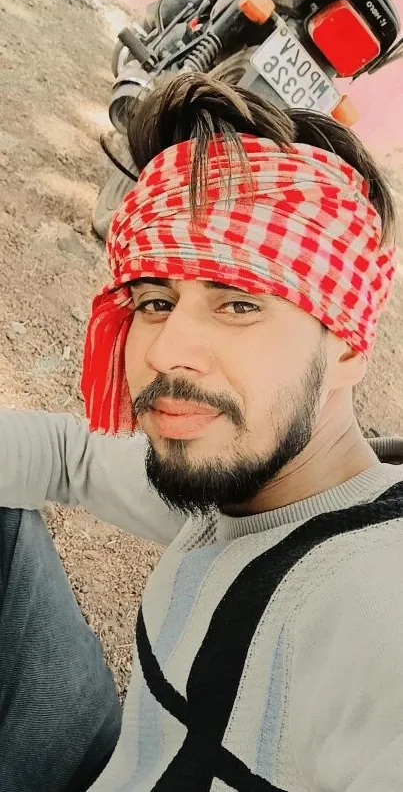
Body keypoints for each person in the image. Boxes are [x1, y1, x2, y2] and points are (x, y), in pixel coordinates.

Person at [1, 71, 403, 792]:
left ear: (346, 345)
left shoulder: (376, 608)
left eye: (238, 304)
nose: (162, 350)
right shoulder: (245, 478)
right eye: (154, 300)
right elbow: (70, 457)